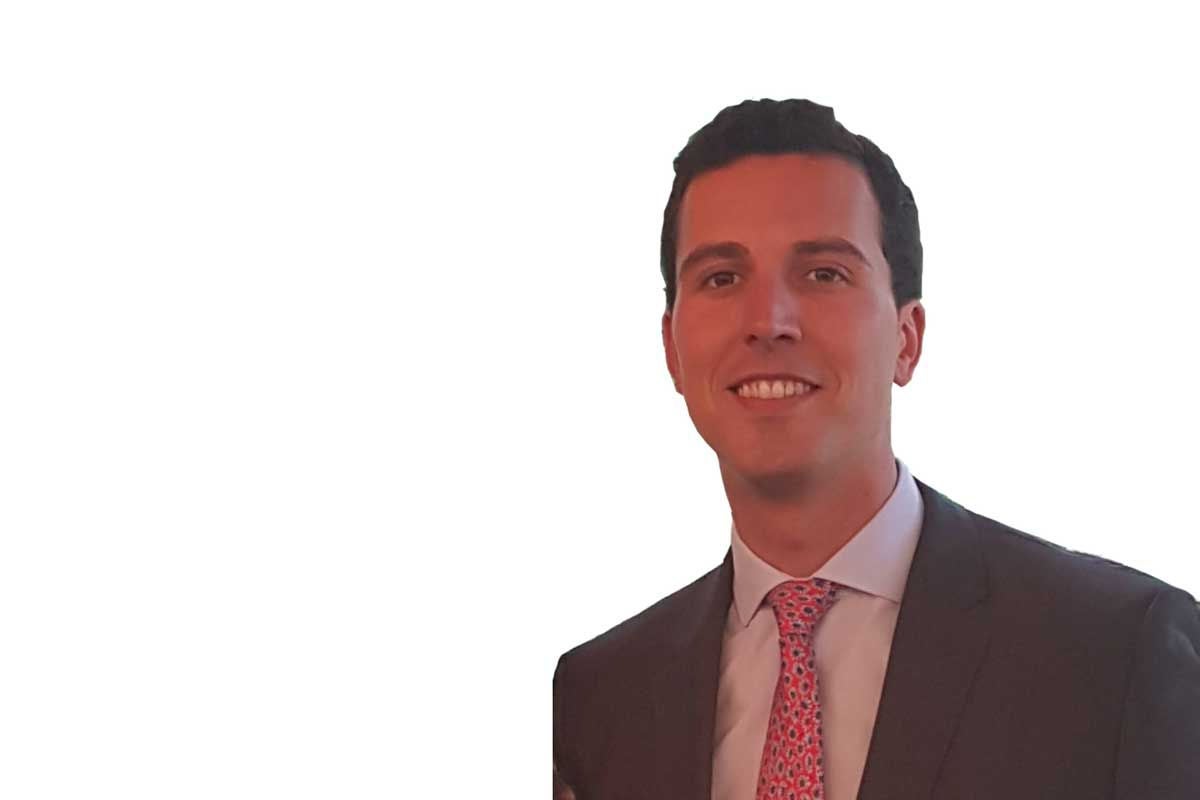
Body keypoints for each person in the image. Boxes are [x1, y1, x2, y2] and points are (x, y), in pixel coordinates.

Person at [551, 98, 1200, 800]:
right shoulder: (593, 702)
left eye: (823, 273)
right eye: (722, 278)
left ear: (907, 338)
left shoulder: (1113, 653)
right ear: (672, 350)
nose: (768, 321)